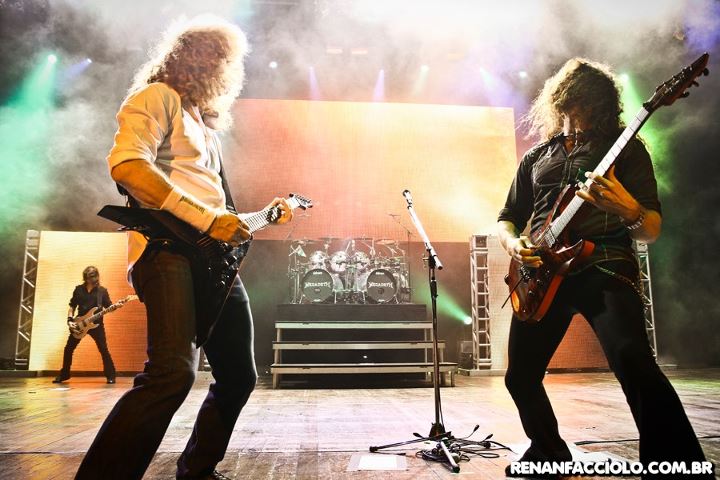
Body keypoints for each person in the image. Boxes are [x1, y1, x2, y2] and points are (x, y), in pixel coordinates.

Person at [75, 15, 293, 480]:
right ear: (200, 59)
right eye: (224, 60)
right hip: (166, 251)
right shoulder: (156, 97)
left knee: (239, 375)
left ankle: (197, 470)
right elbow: (129, 167)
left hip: (211, 259)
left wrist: (260, 216)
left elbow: (215, 207)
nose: (229, 71)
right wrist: (210, 220)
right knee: (172, 374)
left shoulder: (206, 127)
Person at [498, 58, 709, 478]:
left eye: (591, 105)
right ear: (560, 102)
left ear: (605, 105)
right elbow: (508, 217)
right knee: (519, 376)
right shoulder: (537, 156)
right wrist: (515, 245)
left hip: (604, 264)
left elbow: (651, 229)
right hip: (542, 274)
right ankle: (548, 451)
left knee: (632, 359)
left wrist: (628, 208)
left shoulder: (626, 149)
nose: (582, 114)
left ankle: (677, 466)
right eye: (575, 103)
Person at [53, 266, 117, 384]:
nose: (94, 279)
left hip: (97, 325)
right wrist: (69, 320)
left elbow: (109, 307)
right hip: (80, 324)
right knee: (68, 349)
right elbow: (72, 306)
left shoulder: (102, 291)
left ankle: (111, 376)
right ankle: (64, 374)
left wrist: (115, 307)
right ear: (86, 278)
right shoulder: (78, 289)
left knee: (103, 349)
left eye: (95, 276)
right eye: (91, 277)